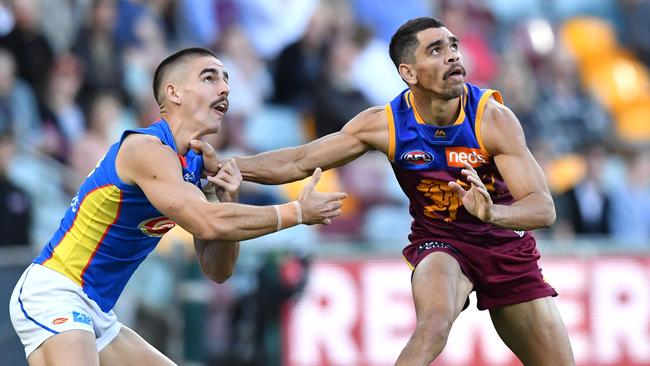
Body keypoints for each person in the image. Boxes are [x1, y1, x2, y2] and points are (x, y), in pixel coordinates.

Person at [236, 17, 575, 365]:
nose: (453, 56)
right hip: (442, 242)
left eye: (454, 46)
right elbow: (300, 160)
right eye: (436, 50)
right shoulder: (386, 124)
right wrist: (232, 167)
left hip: (506, 246)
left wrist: (492, 213)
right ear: (409, 73)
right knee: (433, 327)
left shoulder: (493, 118)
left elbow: (544, 208)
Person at [8, 47, 346, 366]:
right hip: (56, 291)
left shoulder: (194, 167)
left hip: (98, 312)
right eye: (209, 77)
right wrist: (296, 213)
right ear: (174, 93)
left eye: (226, 78)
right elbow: (207, 222)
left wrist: (229, 198)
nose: (225, 87)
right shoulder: (146, 150)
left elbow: (218, 270)